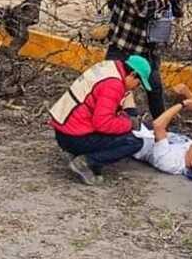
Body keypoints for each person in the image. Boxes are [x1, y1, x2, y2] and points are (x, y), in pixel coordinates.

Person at [49, 54, 153, 185]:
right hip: (75, 137)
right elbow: (102, 123)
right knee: (134, 142)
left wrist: (127, 116)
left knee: (123, 130)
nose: (135, 88)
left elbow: (112, 103)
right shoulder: (114, 85)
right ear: (132, 74)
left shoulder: (110, 67)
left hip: (64, 131)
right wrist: (129, 124)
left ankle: (75, 153)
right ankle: (85, 162)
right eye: (138, 83)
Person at [104, 0, 183, 119]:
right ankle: (108, 123)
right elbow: (143, 10)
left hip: (147, 50)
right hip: (123, 46)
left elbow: (177, 13)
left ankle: (162, 129)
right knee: (111, 87)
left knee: (155, 90)